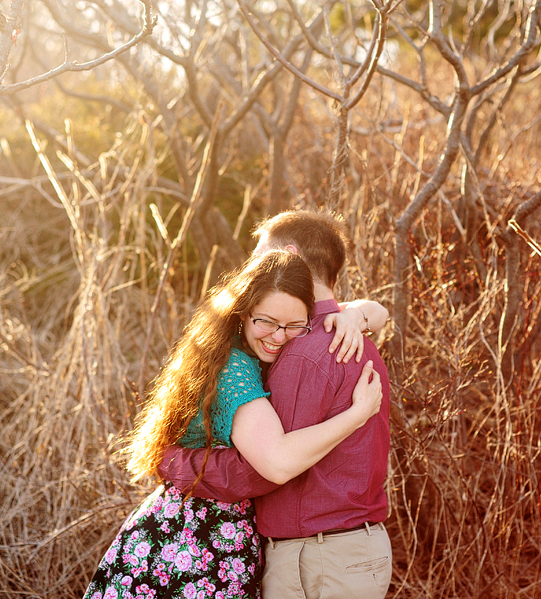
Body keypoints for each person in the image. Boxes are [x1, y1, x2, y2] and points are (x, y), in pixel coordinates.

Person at [83, 250, 384, 599]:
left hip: (211, 539)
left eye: (294, 326)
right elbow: (278, 462)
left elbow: (378, 312)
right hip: (191, 545)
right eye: (266, 322)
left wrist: (356, 316)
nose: (278, 336)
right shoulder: (235, 370)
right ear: (243, 313)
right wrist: (356, 415)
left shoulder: (245, 349)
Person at [159, 209, 393, 599]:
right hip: (351, 550)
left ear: (288, 257)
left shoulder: (302, 351)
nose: (251, 267)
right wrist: (360, 312)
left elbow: (269, 467)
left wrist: (174, 462)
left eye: (259, 256)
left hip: (319, 558)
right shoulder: (351, 335)